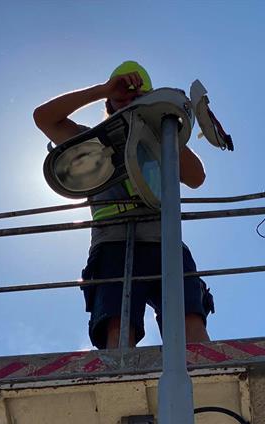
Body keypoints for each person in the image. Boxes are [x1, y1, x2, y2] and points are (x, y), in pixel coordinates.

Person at [33, 61, 214, 349]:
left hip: (165, 241)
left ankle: (207, 379)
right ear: (110, 103)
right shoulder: (89, 141)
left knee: (190, 320)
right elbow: (44, 117)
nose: (131, 100)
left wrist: (165, 123)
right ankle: (121, 377)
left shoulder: (163, 145)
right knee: (119, 326)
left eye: (139, 96)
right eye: (124, 96)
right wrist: (104, 89)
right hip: (113, 244)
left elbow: (196, 177)